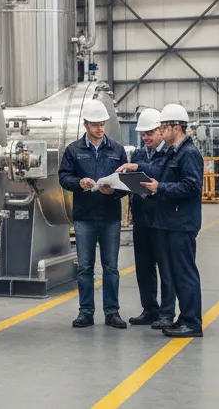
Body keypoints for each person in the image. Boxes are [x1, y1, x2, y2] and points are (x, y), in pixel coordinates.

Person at [118, 103, 204, 338]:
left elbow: (192, 186)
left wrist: (160, 188)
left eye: (164, 128)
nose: (161, 132)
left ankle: (192, 322)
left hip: (182, 222)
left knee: (185, 273)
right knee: (177, 273)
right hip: (171, 221)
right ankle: (183, 318)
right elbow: (159, 170)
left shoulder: (189, 153)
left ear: (176, 127)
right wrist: (138, 166)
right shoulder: (175, 152)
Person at [58, 99, 129, 329]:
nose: (100, 129)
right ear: (86, 125)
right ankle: (86, 312)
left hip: (110, 216)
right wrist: (80, 183)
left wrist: (113, 192)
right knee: (85, 267)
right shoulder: (73, 151)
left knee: (111, 267)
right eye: (95, 124)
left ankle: (112, 312)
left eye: (103, 124)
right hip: (84, 217)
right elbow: (64, 177)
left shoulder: (117, 150)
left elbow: (125, 183)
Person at [127, 109, 175, 329]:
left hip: (162, 219)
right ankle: (150, 309)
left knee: (165, 268)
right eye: (143, 134)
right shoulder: (138, 154)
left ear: (161, 130)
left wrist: (138, 168)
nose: (146, 137)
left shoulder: (170, 154)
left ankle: (166, 313)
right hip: (141, 217)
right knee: (144, 267)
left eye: (150, 132)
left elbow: (162, 174)